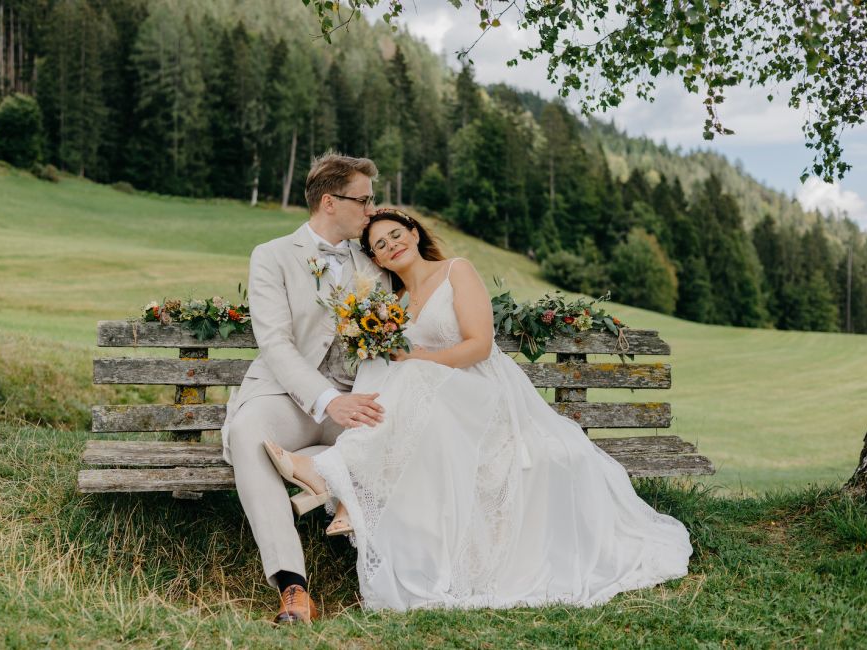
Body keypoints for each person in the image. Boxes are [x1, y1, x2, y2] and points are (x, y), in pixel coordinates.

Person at [263, 208, 693, 611]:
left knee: (410, 373)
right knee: (384, 367)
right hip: (437, 401)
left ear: (414, 234)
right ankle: (349, 493)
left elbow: (479, 345)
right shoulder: (391, 304)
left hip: (483, 390)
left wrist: (414, 360)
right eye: (379, 245)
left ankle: (337, 482)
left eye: (396, 234)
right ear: (376, 259)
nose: (391, 245)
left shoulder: (456, 271)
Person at [221, 152, 391, 624]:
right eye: (365, 200)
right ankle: (293, 587)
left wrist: (352, 400)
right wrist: (327, 400)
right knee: (248, 434)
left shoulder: (376, 262)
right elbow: (275, 344)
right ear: (331, 202)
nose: (373, 210)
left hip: (356, 399)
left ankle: (391, 572)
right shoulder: (272, 256)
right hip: (288, 399)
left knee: (400, 434)